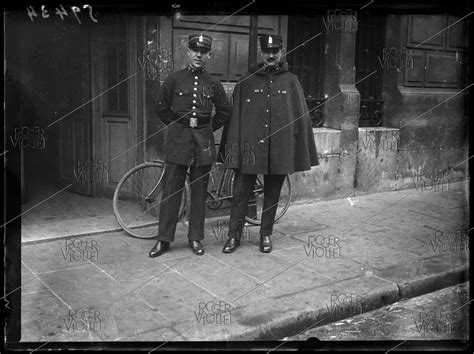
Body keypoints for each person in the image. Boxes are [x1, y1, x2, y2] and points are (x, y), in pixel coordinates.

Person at [221, 34, 319, 253]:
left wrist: (296, 150)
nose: (271, 55)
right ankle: (233, 237)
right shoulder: (247, 80)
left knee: (273, 193)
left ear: (282, 52)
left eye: (275, 51)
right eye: (267, 51)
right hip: (250, 149)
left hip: (279, 148)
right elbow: (235, 118)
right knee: (240, 194)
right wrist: (233, 152)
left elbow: (300, 118)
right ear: (261, 52)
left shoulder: (291, 81)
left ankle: (265, 235)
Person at [149, 33, 230, 258]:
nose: (199, 55)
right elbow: (160, 107)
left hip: (202, 144)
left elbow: (224, 112)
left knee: (198, 193)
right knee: (171, 192)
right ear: (188, 52)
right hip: (178, 141)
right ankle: (163, 240)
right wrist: (177, 127)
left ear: (209, 55)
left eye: (203, 52)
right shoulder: (175, 79)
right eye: (195, 50)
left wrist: (206, 128)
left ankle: (195, 238)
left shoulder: (213, 83)